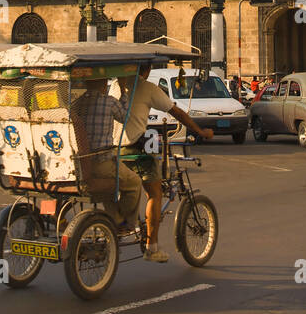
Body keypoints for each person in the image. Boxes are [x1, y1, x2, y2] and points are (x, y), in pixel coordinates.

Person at [118, 62, 213, 263]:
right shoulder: (147, 87)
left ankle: (130, 222)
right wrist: (200, 131)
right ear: (147, 70)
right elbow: (176, 112)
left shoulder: (117, 85)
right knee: (155, 193)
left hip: (114, 148)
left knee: (134, 183)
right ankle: (152, 247)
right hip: (135, 146)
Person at [69, 78, 142, 236]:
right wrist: (123, 92)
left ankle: (114, 219)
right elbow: (125, 117)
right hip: (102, 161)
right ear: (103, 85)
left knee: (109, 189)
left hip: (81, 164)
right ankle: (126, 222)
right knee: (134, 183)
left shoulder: (77, 104)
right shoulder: (109, 102)